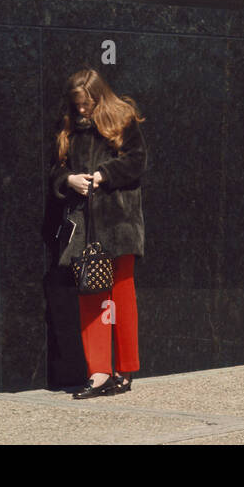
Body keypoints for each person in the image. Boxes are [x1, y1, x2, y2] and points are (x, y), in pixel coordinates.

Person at [50, 67, 146, 399]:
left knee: (122, 295)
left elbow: (137, 161)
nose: (81, 109)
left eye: (86, 103)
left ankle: (125, 369)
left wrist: (104, 175)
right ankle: (99, 372)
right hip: (86, 225)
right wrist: (68, 180)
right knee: (91, 295)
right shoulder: (68, 126)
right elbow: (55, 167)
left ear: (98, 97)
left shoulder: (123, 118)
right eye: (76, 103)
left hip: (120, 222)